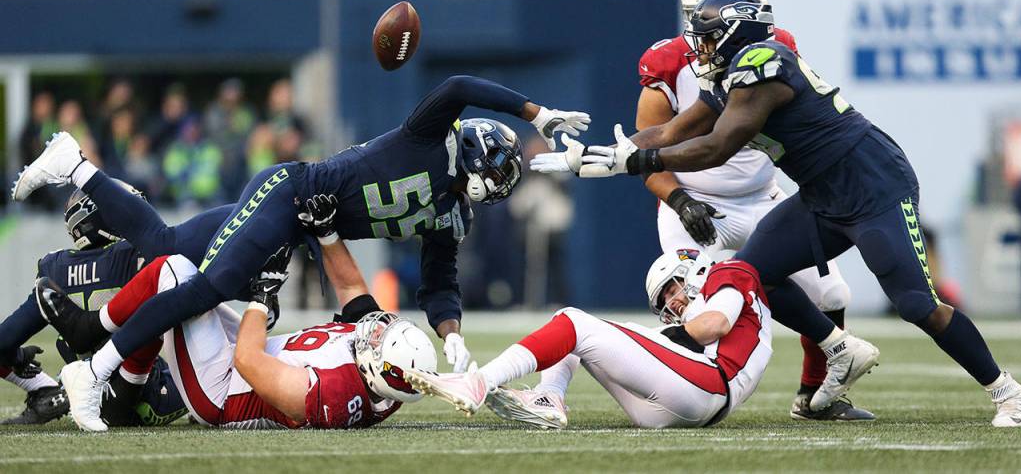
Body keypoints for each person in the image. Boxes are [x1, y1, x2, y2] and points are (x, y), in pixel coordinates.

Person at [536, 0, 1021, 427]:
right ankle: (839, 349)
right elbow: (672, 131)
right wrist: (603, 155)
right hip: (821, 193)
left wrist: (639, 160)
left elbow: (718, 145)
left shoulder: (764, 64)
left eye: (707, 38)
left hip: (874, 187)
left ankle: (1008, 394)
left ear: (735, 32)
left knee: (917, 304)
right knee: (748, 276)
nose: (699, 49)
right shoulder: (730, 73)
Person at [12, 74, 590, 432]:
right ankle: (95, 369)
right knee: (209, 286)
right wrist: (535, 112)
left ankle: (74, 166)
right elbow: (458, 87)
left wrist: (452, 331)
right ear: (469, 150)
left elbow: (439, 283)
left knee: (167, 250)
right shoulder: (426, 139)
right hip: (289, 192)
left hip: (305, 224)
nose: (480, 192)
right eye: (485, 176)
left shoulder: (449, 213)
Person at [633, 0, 869, 421]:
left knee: (832, 296)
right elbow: (648, 154)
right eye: (697, 18)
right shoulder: (664, 63)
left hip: (764, 198)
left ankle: (815, 395)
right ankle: (675, 397)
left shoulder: (776, 51)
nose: (703, 32)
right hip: (694, 204)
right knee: (693, 308)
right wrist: (680, 199)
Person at [52, 199, 436, 430]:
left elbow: (248, 361)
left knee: (172, 272)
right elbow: (354, 292)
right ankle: (127, 382)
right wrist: (327, 233)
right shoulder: (391, 373)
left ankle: (96, 339)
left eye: (375, 341)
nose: (372, 330)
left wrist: (262, 295)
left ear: (372, 371)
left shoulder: (336, 395)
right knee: (187, 290)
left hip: (220, 389)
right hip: (247, 355)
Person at [406, 251, 770, 429]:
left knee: (573, 322)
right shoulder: (734, 303)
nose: (672, 303)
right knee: (576, 334)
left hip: (707, 383)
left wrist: (661, 334)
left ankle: (478, 381)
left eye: (672, 288)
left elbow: (715, 325)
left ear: (697, 268)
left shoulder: (729, 270)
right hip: (683, 405)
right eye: (664, 302)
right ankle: (550, 397)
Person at [0, 179, 229, 426]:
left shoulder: (54, 269)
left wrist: (19, 357)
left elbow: (4, 339)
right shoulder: (133, 257)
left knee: (64, 340)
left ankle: (49, 389)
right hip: (147, 397)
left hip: (90, 392)